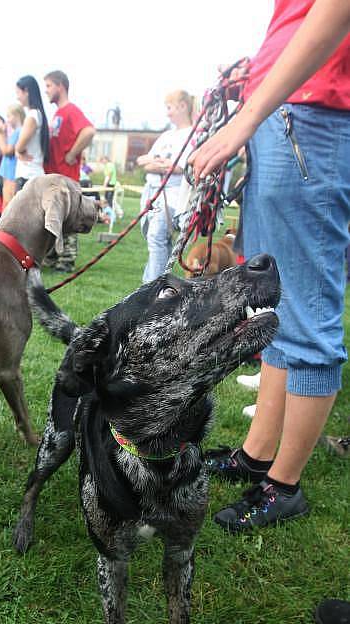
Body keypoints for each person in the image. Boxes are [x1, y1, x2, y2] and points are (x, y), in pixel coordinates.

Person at [189, 0, 350, 537]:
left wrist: (248, 115)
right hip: (289, 114)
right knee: (276, 305)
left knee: (305, 310)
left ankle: (285, 485)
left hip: (311, 117)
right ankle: (258, 456)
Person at [136, 90, 194, 283]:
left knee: (156, 237)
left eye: (169, 108)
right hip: (153, 194)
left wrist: (159, 165)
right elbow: (143, 162)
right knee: (155, 240)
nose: (167, 112)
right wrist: (161, 164)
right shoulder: (166, 135)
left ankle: (152, 287)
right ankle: (155, 284)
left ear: (182, 106)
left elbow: (180, 168)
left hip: (174, 196)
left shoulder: (192, 135)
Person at [43, 70, 96, 272]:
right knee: (55, 216)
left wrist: (72, 154)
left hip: (67, 176)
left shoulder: (71, 110)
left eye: (48, 86)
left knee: (68, 218)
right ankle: (53, 256)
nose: (46, 91)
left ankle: (67, 260)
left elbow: (89, 131)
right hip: (54, 175)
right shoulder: (57, 113)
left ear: (60, 86)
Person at [14, 75, 49, 192]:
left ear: (26, 92)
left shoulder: (32, 116)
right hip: (34, 174)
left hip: (27, 175)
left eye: (18, 92)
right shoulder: (38, 114)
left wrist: (18, 151)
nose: (17, 97)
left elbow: (19, 146)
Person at [0, 104, 24, 207]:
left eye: (9, 116)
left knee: (8, 207)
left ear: (17, 115)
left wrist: (0, 134)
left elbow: (7, 151)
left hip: (11, 176)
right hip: (8, 175)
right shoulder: (16, 132)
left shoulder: (19, 131)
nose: (7, 120)